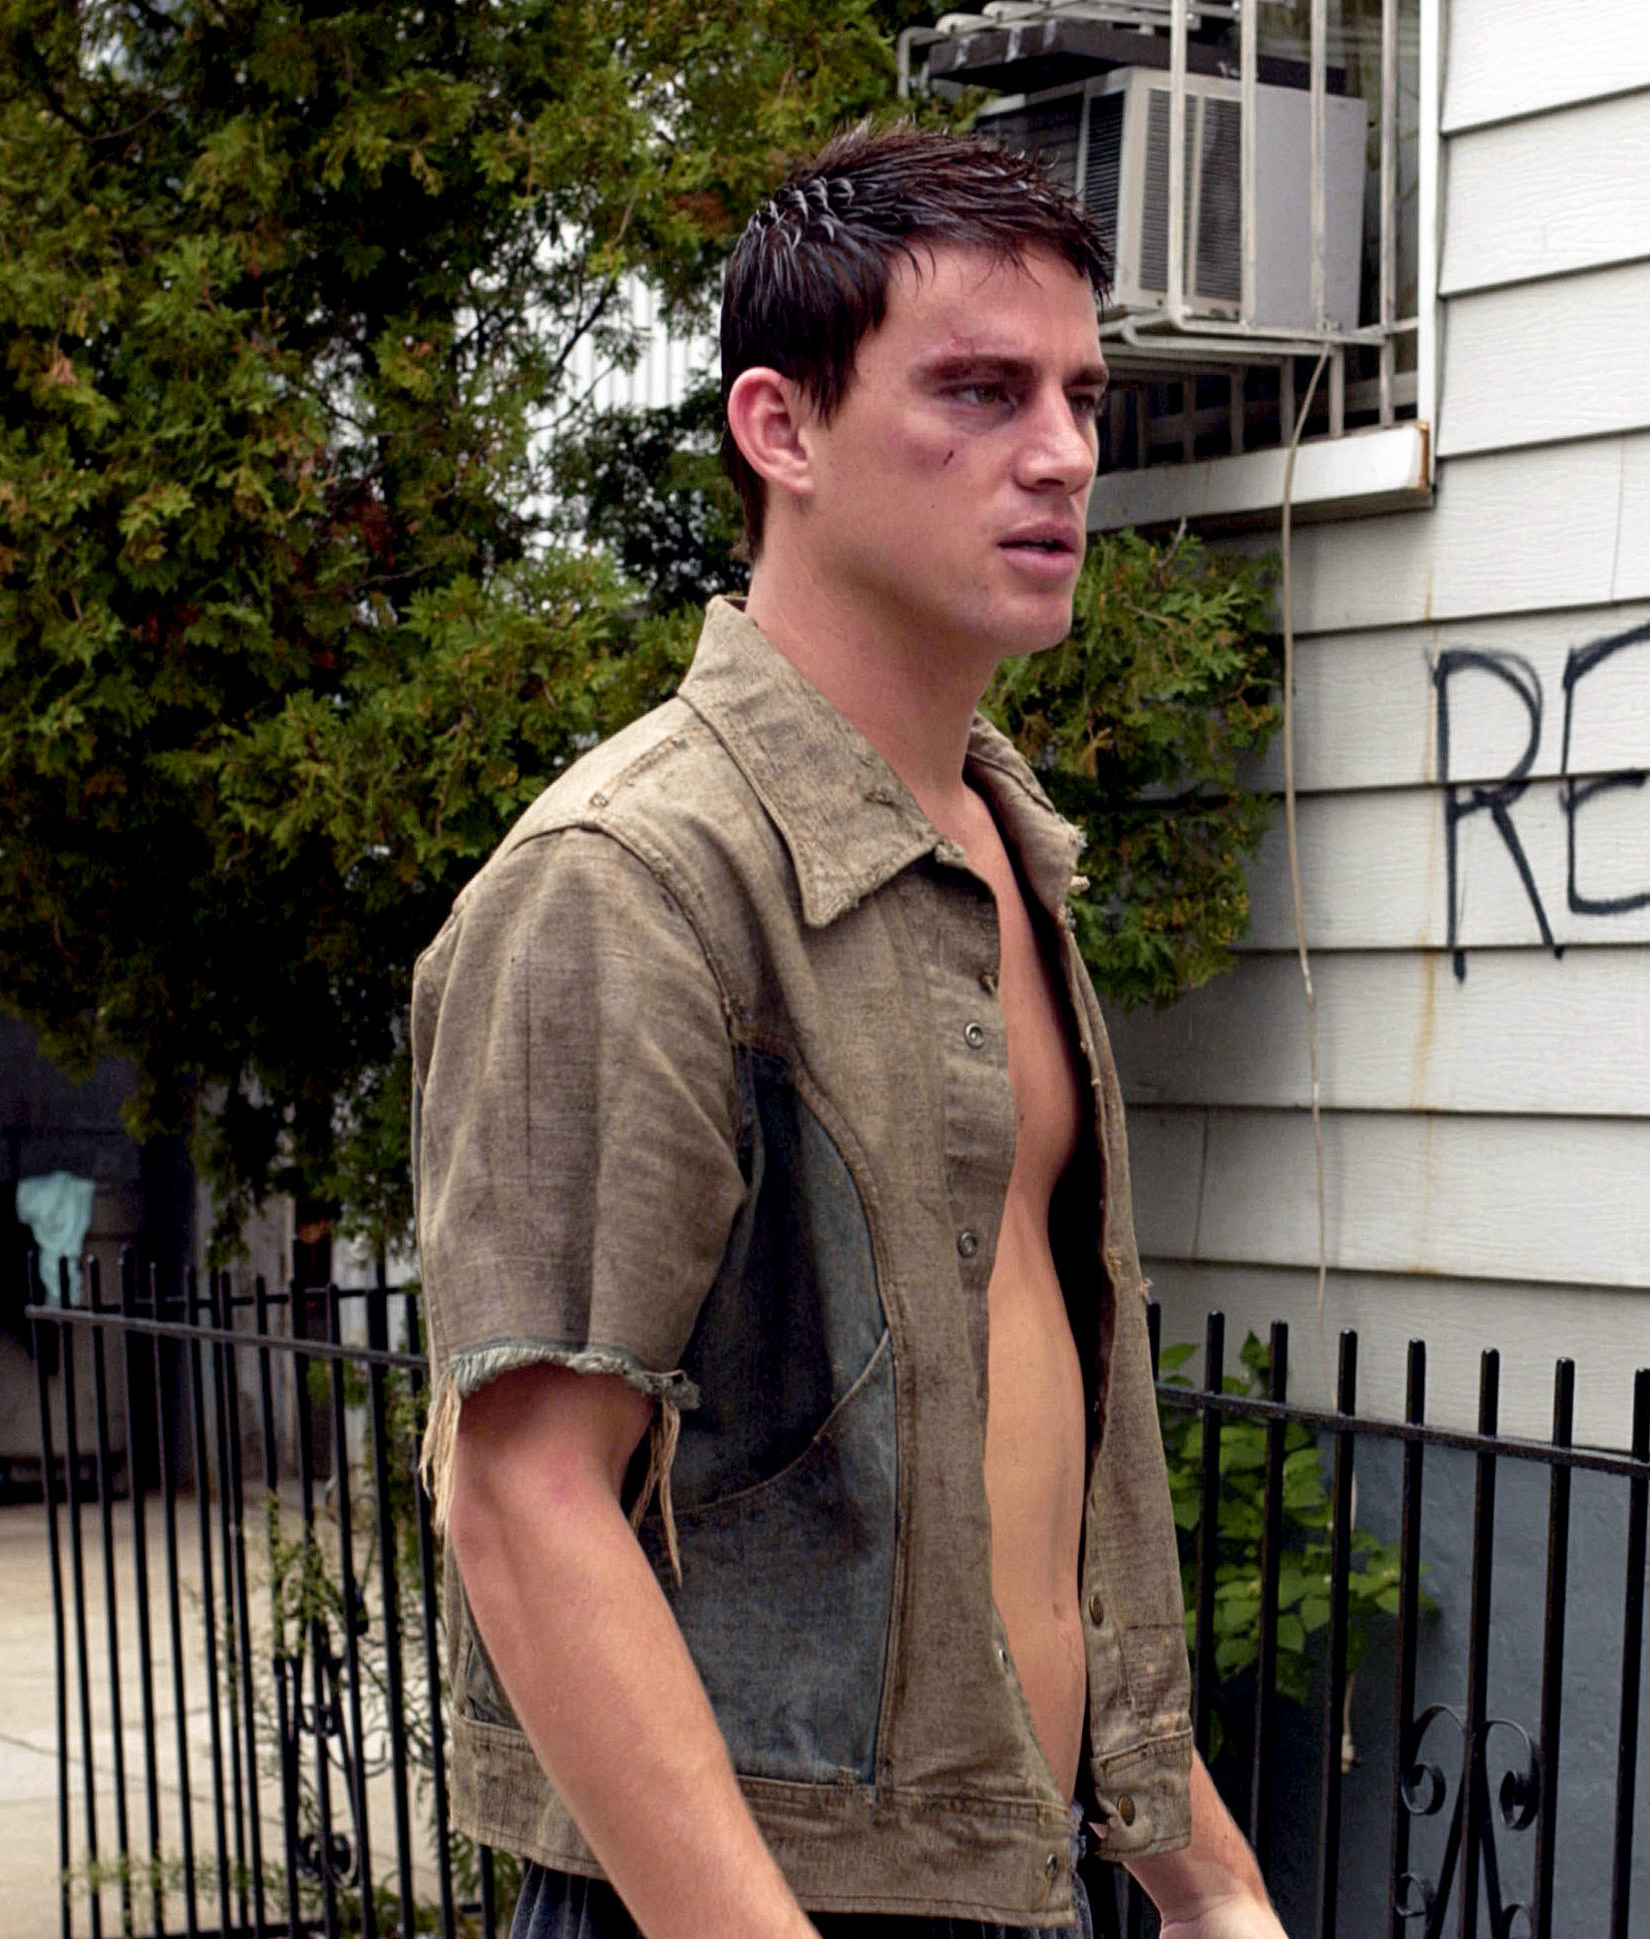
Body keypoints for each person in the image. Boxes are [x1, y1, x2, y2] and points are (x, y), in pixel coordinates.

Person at [409, 126, 1285, 1939]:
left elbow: (1010, 1488)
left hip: (1014, 1873)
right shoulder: (632, 876)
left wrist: (1207, 1886)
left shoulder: (995, 849)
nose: (1059, 455)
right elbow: (522, 1497)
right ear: (780, 431)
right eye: (977, 389)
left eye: (1080, 395)